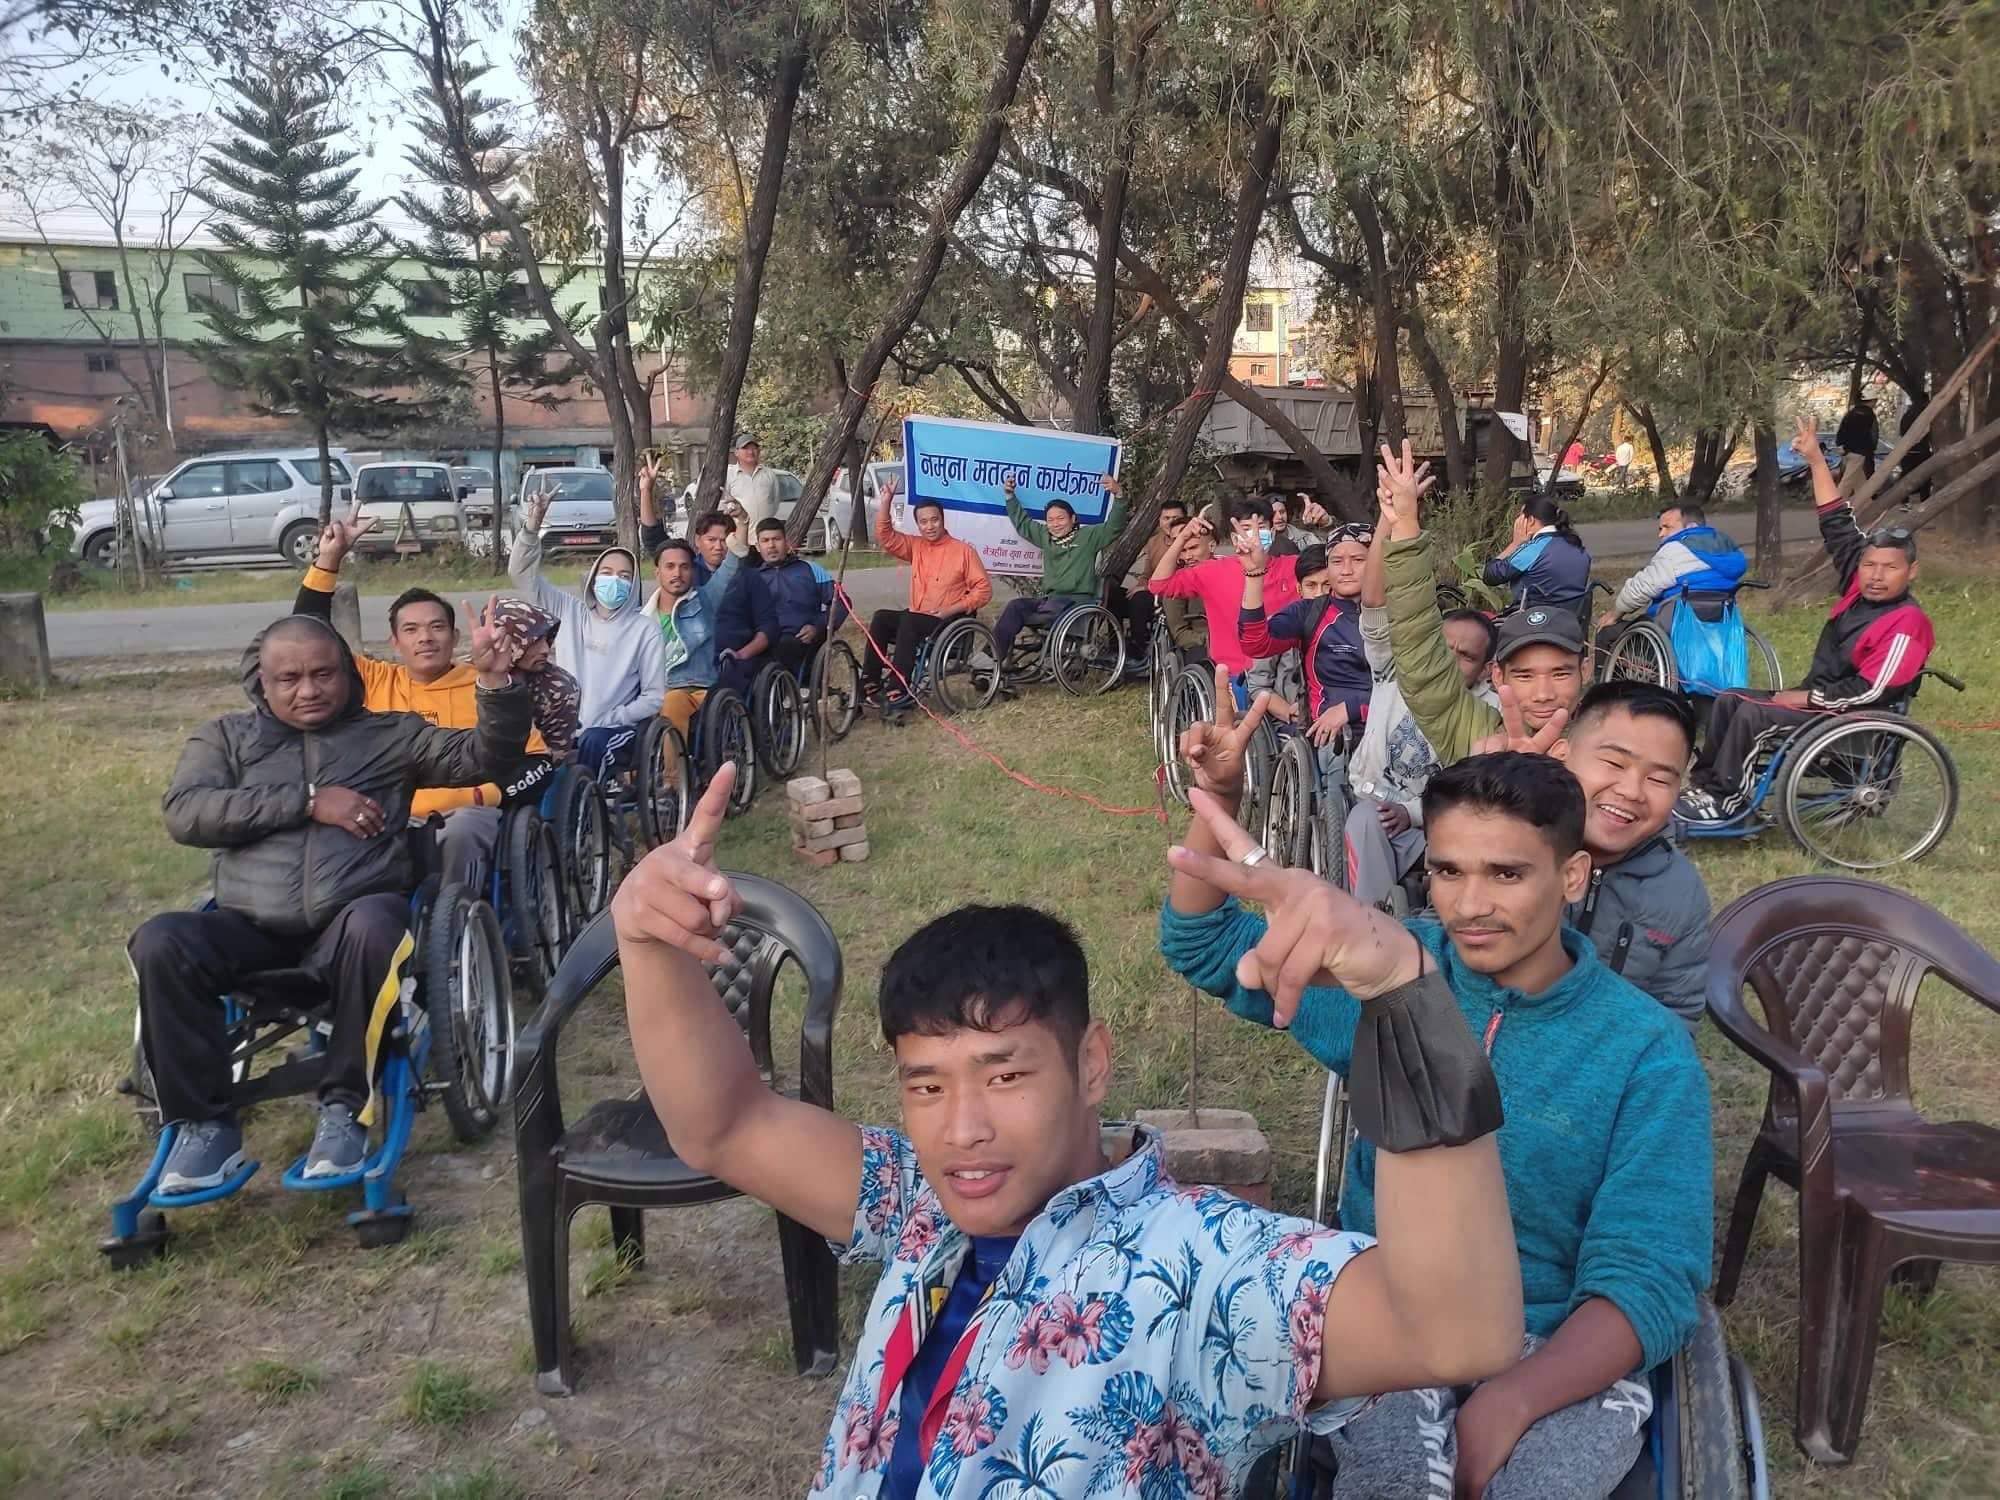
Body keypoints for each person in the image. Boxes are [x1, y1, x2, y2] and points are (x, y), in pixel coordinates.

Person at [617, 767, 1524, 1500]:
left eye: (1006, 1075)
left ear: (1092, 1064)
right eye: (926, 1085)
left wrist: (1399, 992)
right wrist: (645, 937)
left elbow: (1455, 1331)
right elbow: (725, 1124)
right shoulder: (919, 1205)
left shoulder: (1198, 1271)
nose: (963, 1129)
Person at [1162, 745, 1711, 1500]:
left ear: (1573, 875)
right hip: (1393, 1314)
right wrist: (1214, 795)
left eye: (1507, 874)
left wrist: (1513, 1399)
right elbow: (1202, 943)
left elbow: (1647, 1278)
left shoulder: (1647, 1052)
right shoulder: (1389, 972)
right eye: (1449, 871)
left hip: (1559, 1345)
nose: (1469, 905)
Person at [131, 607, 532, 1191]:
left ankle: (345, 1109)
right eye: (288, 679)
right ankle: (204, 1128)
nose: (308, 690)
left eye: (323, 674)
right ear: (262, 684)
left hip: (353, 925)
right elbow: (186, 812)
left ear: (349, 673)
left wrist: (494, 685)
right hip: (252, 928)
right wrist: (309, 800)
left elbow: (486, 759)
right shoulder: (226, 738)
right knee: (161, 939)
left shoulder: (391, 735)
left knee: (374, 922)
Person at [1680, 414, 1936, 821]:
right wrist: (1817, 461)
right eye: (1870, 565)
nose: (1875, 575)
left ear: (1911, 572)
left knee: (1752, 714)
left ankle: (1727, 803)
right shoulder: (1860, 580)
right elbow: (1836, 521)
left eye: (1889, 568)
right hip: (1823, 702)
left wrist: (1808, 697)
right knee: (1729, 700)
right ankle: (1704, 788)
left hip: (1850, 715)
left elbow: (1874, 692)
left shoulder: (1906, 623)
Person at [294, 509, 566, 885]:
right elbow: (307, 637)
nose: (425, 637)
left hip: (464, 817)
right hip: (383, 817)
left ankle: (454, 927)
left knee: (461, 832)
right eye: (412, 629)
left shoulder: (487, 685)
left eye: (437, 627)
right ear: (395, 642)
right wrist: (328, 559)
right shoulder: (371, 680)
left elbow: (538, 765)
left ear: (454, 639)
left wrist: (479, 795)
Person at [1379, 442, 1586, 764]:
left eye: (1560, 673)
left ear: (1585, 671)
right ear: (1497, 676)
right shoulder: (1471, 733)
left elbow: (1493, 573)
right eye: (1524, 676)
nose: (1543, 693)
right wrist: (1405, 525)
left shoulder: (1602, 752)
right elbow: (1417, 644)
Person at [1343, 516, 1499, 907]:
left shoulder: (1489, 709)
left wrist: (1412, 812)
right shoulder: (1395, 671)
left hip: (1438, 826)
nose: (1450, 660)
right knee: (1367, 820)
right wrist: (1385, 521)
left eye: (1466, 657)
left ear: (1485, 669)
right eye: (1444, 647)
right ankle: (1373, 926)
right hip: (1374, 808)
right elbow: (1375, 603)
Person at [1549, 681, 1713, 1027]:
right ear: (1561, 753)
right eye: (1613, 762)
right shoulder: (1512, 847)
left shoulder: (1680, 893)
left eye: (1658, 779)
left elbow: (1676, 1012)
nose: (1632, 791)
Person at [511, 486, 665, 777]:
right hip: (566, 725)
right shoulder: (570, 612)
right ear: (593, 579)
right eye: (607, 573)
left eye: (624, 576)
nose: (614, 581)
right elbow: (522, 575)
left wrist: (615, 717)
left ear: (633, 586)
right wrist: (531, 528)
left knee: (593, 742)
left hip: (616, 731)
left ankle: (587, 810)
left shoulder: (645, 630)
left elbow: (654, 697)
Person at [1147, 495, 1302, 706]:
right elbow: (1159, 585)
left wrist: (1323, 525)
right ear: (1234, 537)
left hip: (1291, 672)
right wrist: (1182, 538)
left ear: (1272, 532)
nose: (1253, 535)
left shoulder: (1295, 567)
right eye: (1245, 528)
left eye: (1261, 527)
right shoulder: (1213, 572)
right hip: (1234, 675)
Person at [862, 475, 993, 707]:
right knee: (881, 617)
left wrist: (949, 610)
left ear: (943, 520)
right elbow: (886, 537)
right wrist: (886, 502)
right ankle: (870, 682)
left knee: (910, 622)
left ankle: (898, 687)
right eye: (924, 522)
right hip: (917, 616)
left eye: (934, 520)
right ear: (918, 524)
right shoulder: (917, 546)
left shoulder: (963, 551)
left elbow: (983, 590)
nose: (930, 526)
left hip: (946, 621)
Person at [639, 455, 743, 737]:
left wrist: (741, 521)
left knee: (671, 701)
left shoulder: (706, 598)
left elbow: (735, 559)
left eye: (684, 567)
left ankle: (673, 779)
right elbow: (652, 536)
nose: (678, 573)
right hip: (651, 689)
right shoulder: (642, 618)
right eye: (670, 567)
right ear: (657, 572)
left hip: (694, 686)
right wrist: (646, 491)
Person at [993, 472, 1125, 664]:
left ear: (1073, 518)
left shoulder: (1088, 536)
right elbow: (1023, 524)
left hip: (1077, 602)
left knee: (1053, 607)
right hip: (1051, 600)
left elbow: (1115, 526)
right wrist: (1009, 496)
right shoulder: (1046, 537)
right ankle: (992, 659)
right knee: (1015, 606)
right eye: (1051, 520)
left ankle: (1050, 653)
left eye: (1061, 518)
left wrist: (1119, 495)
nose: (1055, 524)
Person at [1595, 501, 1749, 648]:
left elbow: (1641, 588)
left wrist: (1615, 613)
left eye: (1667, 527)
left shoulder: (1675, 550)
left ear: (1691, 527)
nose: (1661, 534)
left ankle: (1603, 676)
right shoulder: (1728, 549)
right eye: (1660, 529)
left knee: (1607, 633)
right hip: (1718, 623)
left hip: (1674, 627)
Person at [726, 515, 838, 693]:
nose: (771, 545)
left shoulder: (810, 570)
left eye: (776, 539)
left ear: (787, 542)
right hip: (762, 640)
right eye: (765, 541)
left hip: (800, 639)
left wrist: (818, 626)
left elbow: (841, 602)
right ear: (758, 546)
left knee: (782, 646)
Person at [1482, 493, 1592, 612]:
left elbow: (1491, 576)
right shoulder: (1578, 547)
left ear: (1530, 520)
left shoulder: (1533, 549)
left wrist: (1514, 544)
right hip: (1571, 622)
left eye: (1520, 517)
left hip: (1532, 622)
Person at [722, 431, 780, 558]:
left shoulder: (769, 474)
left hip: (764, 543)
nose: (750, 452)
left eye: (754, 448)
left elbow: (774, 504)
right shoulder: (729, 475)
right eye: (745, 448)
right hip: (740, 541)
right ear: (736, 452)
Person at [1833, 403, 1879, 499]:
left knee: (1859, 481)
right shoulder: (1869, 415)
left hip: (1847, 450)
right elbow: (1871, 434)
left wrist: (1842, 446)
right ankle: (1835, 506)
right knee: (1847, 481)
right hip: (1859, 451)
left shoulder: (1850, 414)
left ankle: (1866, 504)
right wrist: (1870, 449)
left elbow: (1841, 431)